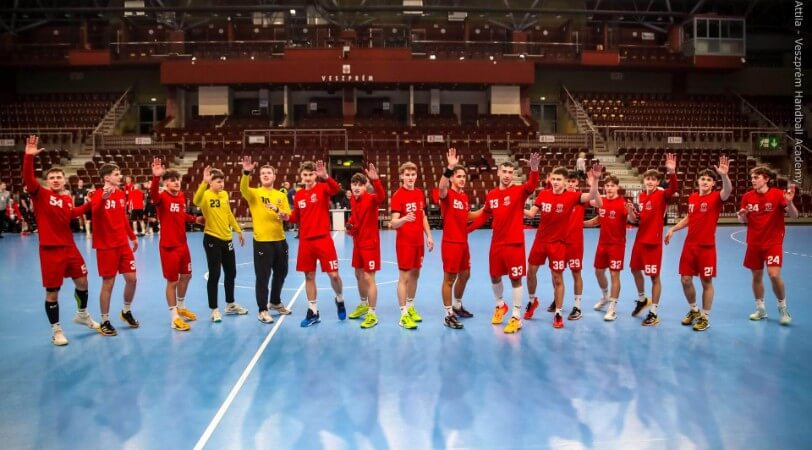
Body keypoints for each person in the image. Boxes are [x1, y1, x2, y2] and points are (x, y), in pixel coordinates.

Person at [22, 135, 100, 345]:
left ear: (64, 180)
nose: (56, 179)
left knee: (83, 281)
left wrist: (89, 204)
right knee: (52, 293)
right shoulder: (40, 194)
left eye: (59, 177)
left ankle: (82, 314)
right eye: (52, 177)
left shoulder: (66, 198)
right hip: (50, 250)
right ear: (47, 181)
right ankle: (56, 330)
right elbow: (28, 179)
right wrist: (28, 157)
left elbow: (70, 214)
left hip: (70, 248)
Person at [468, 153, 541, 334]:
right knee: (494, 276)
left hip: (514, 243)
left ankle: (516, 316)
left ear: (513, 174)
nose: (507, 175)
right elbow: (484, 216)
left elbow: (532, 185)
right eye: (505, 171)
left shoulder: (519, 191)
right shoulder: (492, 195)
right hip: (497, 243)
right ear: (499, 172)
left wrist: (533, 169)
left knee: (515, 279)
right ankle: (500, 305)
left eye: (510, 172)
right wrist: (466, 231)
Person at [524, 163, 602, 328]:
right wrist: (517, 207)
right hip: (540, 241)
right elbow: (531, 214)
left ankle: (559, 313)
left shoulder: (572, 196)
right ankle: (532, 301)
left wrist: (595, 180)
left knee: (558, 278)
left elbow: (592, 196)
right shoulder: (543, 194)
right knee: (530, 273)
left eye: (559, 179)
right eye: (553, 179)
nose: (555, 182)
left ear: (565, 182)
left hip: (559, 243)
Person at [664, 156, 733, 331]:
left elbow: (728, 190)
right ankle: (694, 310)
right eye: (703, 178)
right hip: (689, 246)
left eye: (709, 180)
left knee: (706, 282)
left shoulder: (717, 197)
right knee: (685, 279)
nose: (705, 181)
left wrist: (724, 175)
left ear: (713, 184)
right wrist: (673, 229)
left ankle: (705, 317)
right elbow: (690, 217)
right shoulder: (693, 197)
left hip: (706, 247)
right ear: (698, 181)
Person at [287, 160, 346, 327]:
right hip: (306, 241)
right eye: (305, 174)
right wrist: (286, 216)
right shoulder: (298, 195)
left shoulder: (323, 188)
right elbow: (296, 217)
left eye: (311, 174)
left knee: (334, 275)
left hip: (323, 239)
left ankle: (340, 299)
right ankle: (313, 311)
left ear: (315, 175)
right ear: (301, 176)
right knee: (309, 276)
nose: (308, 177)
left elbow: (336, 190)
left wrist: (326, 176)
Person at [737, 166, 798, 325]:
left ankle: (783, 308)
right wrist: (742, 216)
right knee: (756, 276)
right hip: (754, 242)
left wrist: (789, 202)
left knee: (773, 274)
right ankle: (760, 309)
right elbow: (744, 221)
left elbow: (794, 215)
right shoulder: (747, 197)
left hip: (773, 242)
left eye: (756, 177)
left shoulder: (777, 194)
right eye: (752, 177)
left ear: (766, 179)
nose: (753, 180)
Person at [627, 153, 678, 326]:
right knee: (634, 269)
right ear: (644, 181)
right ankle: (642, 300)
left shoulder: (662, 194)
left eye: (653, 179)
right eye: (647, 179)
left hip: (653, 243)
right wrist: (632, 213)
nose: (650, 181)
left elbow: (673, 188)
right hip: (639, 240)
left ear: (657, 182)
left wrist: (672, 172)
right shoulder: (641, 196)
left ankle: (654, 312)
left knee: (654, 277)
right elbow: (638, 219)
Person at [88, 162, 140, 336]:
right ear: (107, 177)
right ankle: (104, 321)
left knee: (132, 279)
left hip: (122, 244)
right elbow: (95, 213)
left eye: (119, 173)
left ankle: (126, 311)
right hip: (106, 246)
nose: (120, 176)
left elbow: (122, 217)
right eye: (116, 174)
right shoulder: (96, 194)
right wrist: (103, 199)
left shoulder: (121, 194)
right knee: (108, 283)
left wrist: (132, 236)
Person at [239, 155, 292, 324]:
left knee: (281, 273)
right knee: (263, 276)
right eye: (263, 173)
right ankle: (262, 309)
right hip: (262, 241)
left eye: (269, 173)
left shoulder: (280, 195)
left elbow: (288, 215)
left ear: (274, 176)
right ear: (260, 177)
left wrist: (279, 211)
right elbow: (243, 189)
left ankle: (275, 301)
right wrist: (246, 173)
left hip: (280, 240)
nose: (266, 175)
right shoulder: (254, 193)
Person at [150, 157, 201, 331]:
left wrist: (195, 219)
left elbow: (181, 214)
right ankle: (174, 318)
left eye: (177, 179)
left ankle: (181, 306)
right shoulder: (161, 198)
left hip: (182, 245)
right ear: (165, 183)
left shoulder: (180, 196)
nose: (177, 182)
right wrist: (156, 177)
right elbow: (153, 194)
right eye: (172, 180)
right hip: (168, 247)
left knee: (186, 276)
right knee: (172, 282)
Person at [193, 166, 248, 322]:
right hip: (212, 239)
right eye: (218, 181)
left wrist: (238, 230)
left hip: (227, 239)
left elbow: (229, 213)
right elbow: (196, 200)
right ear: (211, 183)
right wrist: (204, 183)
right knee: (215, 274)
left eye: (222, 181)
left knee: (231, 272)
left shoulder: (224, 194)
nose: (221, 184)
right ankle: (214, 309)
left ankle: (230, 304)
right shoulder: (205, 195)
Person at [390, 161, 435, 329]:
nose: (410, 177)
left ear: (416, 176)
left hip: (418, 242)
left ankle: (410, 307)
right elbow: (393, 223)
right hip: (405, 243)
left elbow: (422, 216)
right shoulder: (397, 196)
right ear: (402, 176)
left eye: (413, 174)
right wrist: (404, 219)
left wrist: (429, 235)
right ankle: (403, 315)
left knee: (415, 274)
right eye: (407, 175)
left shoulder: (419, 193)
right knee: (404, 278)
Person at [436, 148, 478, 329]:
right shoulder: (447, 195)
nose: (462, 179)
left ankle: (457, 305)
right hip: (451, 243)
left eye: (464, 176)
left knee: (465, 275)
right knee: (449, 279)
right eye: (458, 176)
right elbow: (441, 187)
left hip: (463, 243)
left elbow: (468, 215)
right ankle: (448, 315)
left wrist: (488, 210)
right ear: (452, 178)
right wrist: (450, 167)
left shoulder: (464, 196)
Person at [345, 164, 386, 329]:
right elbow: (355, 219)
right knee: (358, 274)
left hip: (370, 245)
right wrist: (350, 225)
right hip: (358, 244)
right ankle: (363, 304)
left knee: (369, 278)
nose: (356, 187)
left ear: (365, 187)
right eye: (354, 184)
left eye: (360, 185)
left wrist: (376, 181)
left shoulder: (371, 198)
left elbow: (381, 197)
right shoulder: (352, 200)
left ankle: (372, 313)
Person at [586, 175, 631, 321]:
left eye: (612, 186)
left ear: (617, 187)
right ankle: (605, 296)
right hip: (602, 244)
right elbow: (598, 220)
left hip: (617, 245)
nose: (609, 188)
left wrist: (631, 212)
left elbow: (632, 219)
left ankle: (612, 307)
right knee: (598, 272)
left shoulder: (623, 203)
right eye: (607, 186)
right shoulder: (602, 202)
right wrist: (580, 223)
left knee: (614, 275)